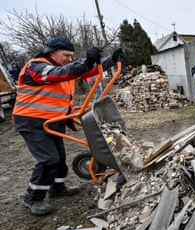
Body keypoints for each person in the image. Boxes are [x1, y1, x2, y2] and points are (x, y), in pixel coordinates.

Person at [12, 35, 123, 215]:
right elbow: (58, 74)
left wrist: (111, 60)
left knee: (60, 157)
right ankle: (33, 198)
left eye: (71, 56)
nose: (69, 59)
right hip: (31, 121)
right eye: (66, 55)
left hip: (53, 119)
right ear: (52, 53)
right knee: (49, 159)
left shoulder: (63, 68)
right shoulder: (36, 67)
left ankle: (57, 188)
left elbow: (88, 70)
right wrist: (85, 62)